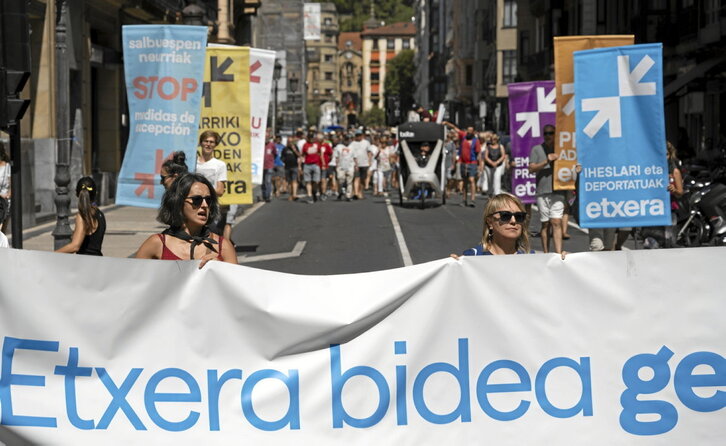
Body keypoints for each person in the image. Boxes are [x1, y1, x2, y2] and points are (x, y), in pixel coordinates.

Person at [135, 172, 237, 268]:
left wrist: (220, 268)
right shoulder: (157, 243)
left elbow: (237, 284)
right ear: (178, 202)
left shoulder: (222, 245)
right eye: (197, 200)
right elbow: (133, 281)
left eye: (208, 200)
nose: (205, 205)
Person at [528, 124, 565, 254]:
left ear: (555, 134)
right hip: (542, 191)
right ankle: (546, 253)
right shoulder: (537, 149)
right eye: (546, 133)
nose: (548, 136)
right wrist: (546, 161)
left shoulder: (561, 149)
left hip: (558, 190)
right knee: (545, 224)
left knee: (556, 221)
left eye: (551, 133)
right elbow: (531, 169)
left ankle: (559, 253)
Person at [458, 193, 532, 256]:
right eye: (505, 216)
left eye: (519, 216)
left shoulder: (531, 259)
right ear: (490, 222)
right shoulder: (473, 257)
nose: (513, 221)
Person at [55, 177, 106, 256]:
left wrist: (52, 254)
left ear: (77, 193)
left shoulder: (82, 216)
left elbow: (75, 246)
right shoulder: (100, 215)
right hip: (98, 262)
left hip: (84, 264)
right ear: (96, 193)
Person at [196, 130, 227, 234]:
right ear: (201, 143)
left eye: (211, 142)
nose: (208, 144)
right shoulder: (192, 163)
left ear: (215, 145)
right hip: (193, 207)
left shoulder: (220, 165)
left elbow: (220, 191)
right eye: (206, 141)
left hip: (210, 209)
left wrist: (201, 190)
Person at [443, 121, 481, 207]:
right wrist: (447, 123)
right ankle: (464, 199)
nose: (469, 132)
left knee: (471, 180)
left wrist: (480, 165)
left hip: (472, 163)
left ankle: (472, 199)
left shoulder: (476, 141)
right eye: (468, 131)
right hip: (463, 163)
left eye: (471, 131)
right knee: (464, 181)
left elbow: (478, 154)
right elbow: (456, 129)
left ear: (474, 132)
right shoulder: (463, 137)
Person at [301, 132, 324, 203]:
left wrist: (322, 163)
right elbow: (303, 155)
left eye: (312, 138)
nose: (311, 139)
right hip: (307, 164)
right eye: (310, 138)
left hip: (316, 164)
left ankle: (314, 191)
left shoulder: (317, 144)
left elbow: (320, 153)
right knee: (308, 181)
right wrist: (300, 164)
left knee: (316, 181)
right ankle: (309, 196)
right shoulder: (305, 145)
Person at [334, 134, 357, 201]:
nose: (347, 141)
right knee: (340, 180)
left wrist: (356, 165)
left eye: (348, 139)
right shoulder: (339, 147)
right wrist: (336, 165)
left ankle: (348, 195)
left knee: (349, 181)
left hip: (350, 166)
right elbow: (336, 157)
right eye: (346, 139)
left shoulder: (352, 147)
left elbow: (355, 157)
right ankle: (340, 192)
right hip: (341, 166)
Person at [350, 130, 371, 199]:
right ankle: (356, 193)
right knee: (356, 178)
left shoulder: (366, 143)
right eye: (357, 135)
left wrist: (369, 161)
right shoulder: (352, 143)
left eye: (359, 135)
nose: (358, 137)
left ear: (362, 135)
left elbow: (369, 152)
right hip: (356, 164)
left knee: (362, 179)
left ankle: (360, 192)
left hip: (364, 163)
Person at [281, 136, 301, 201]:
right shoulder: (285, 149)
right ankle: (291, 195)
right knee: (289, 182)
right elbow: (282, 157)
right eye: (289, 142)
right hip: (287, 167)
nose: (290, 143)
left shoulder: (295, 147)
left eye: (291, 142)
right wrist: (284, 160)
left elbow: (299, 155)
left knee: (294, 180)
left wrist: (294, 150)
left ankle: (294, 194)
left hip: (294, 166)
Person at [0, 142, 11, 234]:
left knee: (2, 231)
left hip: (5, 201)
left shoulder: (7, 166)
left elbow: (12, 184)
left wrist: (8, 195)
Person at [262, 136, 277, 202]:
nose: (266, 139)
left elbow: (275, 154)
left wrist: (272, 161)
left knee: (268, 181)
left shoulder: (272, 145)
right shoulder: (260, 144)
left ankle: (268, 196)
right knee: (262, 182)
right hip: (261, 167)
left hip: (269, 166)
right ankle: (264, 195)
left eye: (267, 138)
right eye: (264, 138)